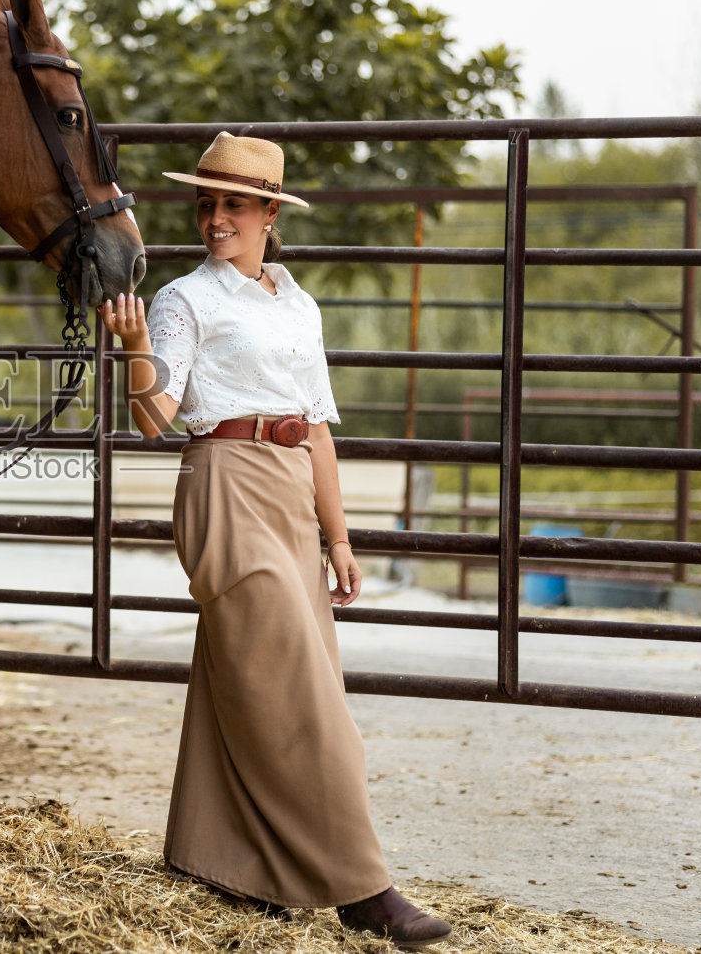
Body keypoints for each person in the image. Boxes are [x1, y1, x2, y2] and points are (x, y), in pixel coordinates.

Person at [98, 133, 452, 949]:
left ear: (267, 213)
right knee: (298, 692)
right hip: (224, 479)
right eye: (206, 203)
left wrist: (339, 537)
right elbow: (155, 417)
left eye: (232, 204)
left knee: (259, 675)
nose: (215, 217)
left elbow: (320, 427)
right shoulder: (185, 299)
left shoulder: (299, 304)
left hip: (292, 489)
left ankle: (223, 860)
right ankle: (364, 887)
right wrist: (132, 347)